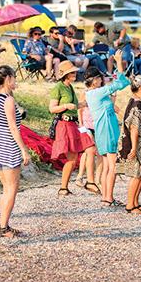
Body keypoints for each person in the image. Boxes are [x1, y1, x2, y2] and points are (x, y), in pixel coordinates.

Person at [0, 66, 30, 238]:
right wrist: (24, 150)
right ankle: (4, 227)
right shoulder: (7, 100)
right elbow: (13, 128)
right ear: (8, 78)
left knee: (6, 188)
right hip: (8, 147)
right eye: (14, 77)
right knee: (11, 188)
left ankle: (3, 224)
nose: (16, 80)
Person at [85, 50, 131, 206]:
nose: (102, 80)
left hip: (102, 129)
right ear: (95, 80)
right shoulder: (96, 93)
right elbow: (122, 83)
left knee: (106, 165)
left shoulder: (92, 94)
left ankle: (106, 197)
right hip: (108, 129)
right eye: (99, 78)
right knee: (112, 166)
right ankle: (108, 198)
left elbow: (118, 86)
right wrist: (118, 62)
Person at [49, 61, 99, 196]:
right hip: (64, 124)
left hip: (73, 124)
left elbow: (75, 106)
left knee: (90, 148)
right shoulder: (58, 87)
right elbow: (52, 108)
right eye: (72, 72)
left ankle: (89, 181)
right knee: (72, 157)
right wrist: (65, 105)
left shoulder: (69, 87)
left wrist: (85, 103)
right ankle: (65, 187)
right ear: (65, 74)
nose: (75, 74)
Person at [118, 76, 141, 214]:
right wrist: (133, 147)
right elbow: (133, 127)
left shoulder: (138, 102)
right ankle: (130, 205)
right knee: (137, 174)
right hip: (135, 144)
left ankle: (135, 202)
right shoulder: (136, 104)